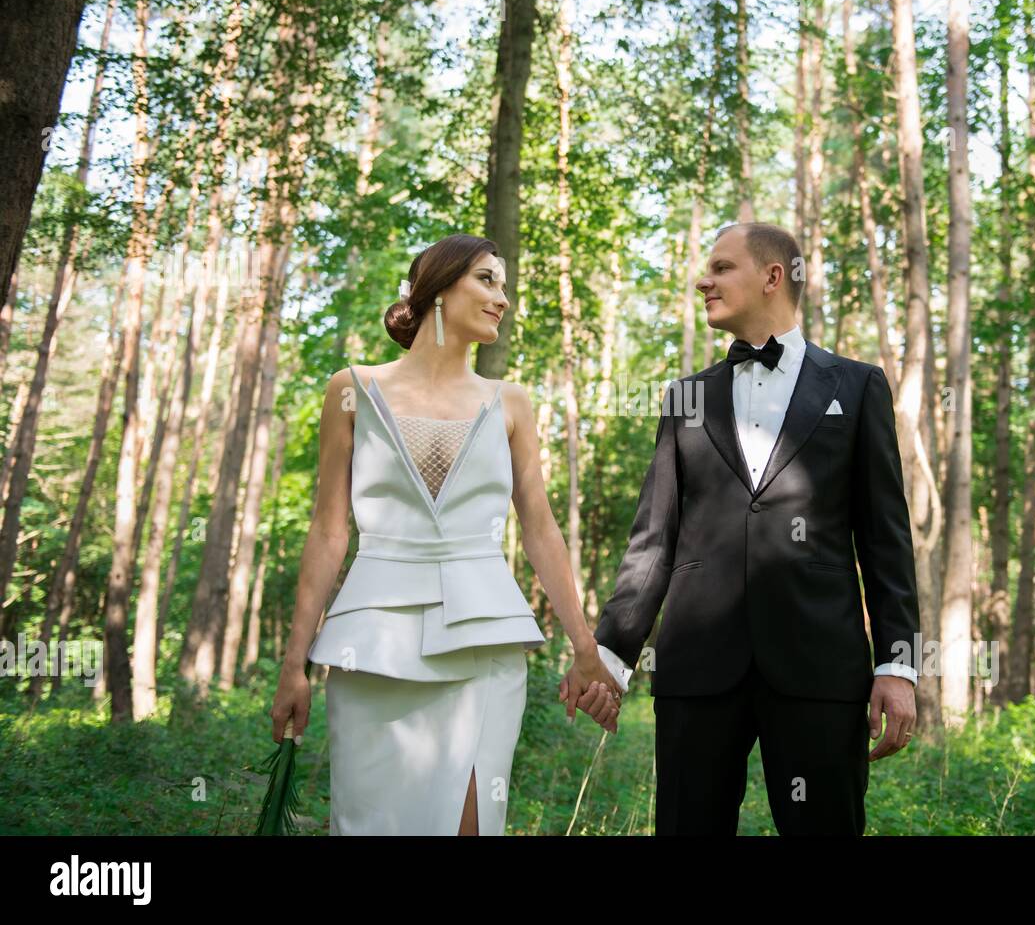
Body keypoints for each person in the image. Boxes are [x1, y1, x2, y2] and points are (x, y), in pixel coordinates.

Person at [271, 234, 625, 836]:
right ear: (437, 288)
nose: (502, 298)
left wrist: (586, 649)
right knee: (367, 824)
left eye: (504, 285)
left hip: (483, 644)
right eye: (488, 280)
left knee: (472, 823)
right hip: (371, 643)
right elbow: (330, 530)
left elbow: (539, 528)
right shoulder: (351, 389)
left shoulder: (510, 402)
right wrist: (294, 664)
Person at [574, 222, 922, 834]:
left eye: (721, 266)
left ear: (773, 276)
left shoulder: (858, 386)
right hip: (698, 671)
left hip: (819, 665)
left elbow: (886, 538)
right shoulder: (685, 397)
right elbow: (653, 541)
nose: (703, 280)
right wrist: (609, 652)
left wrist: (898, 663)